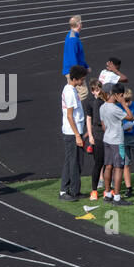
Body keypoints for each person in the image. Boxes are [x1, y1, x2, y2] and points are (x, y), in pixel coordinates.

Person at [98, 84, 134, 206]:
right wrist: (124, 103)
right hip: (117, 142)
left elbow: (103, 126)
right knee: (118, 168)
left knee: (108, 166)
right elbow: (130, 117)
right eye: (122, 96)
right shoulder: (115, 109)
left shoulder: (102, 107)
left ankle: (108, 194)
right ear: (119, 95)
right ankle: (117, 198)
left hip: (107, 140)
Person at [59, 65, 88, 201]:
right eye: (82, 79)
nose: (83, 82)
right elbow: (70, 115)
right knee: (73, 162)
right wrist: (77, 135)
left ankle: (74, 190)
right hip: (72, 133)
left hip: (74, 131)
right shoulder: (70, 92)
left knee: (73, 161)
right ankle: (65, 191)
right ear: (75, 79)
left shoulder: (71, 89)